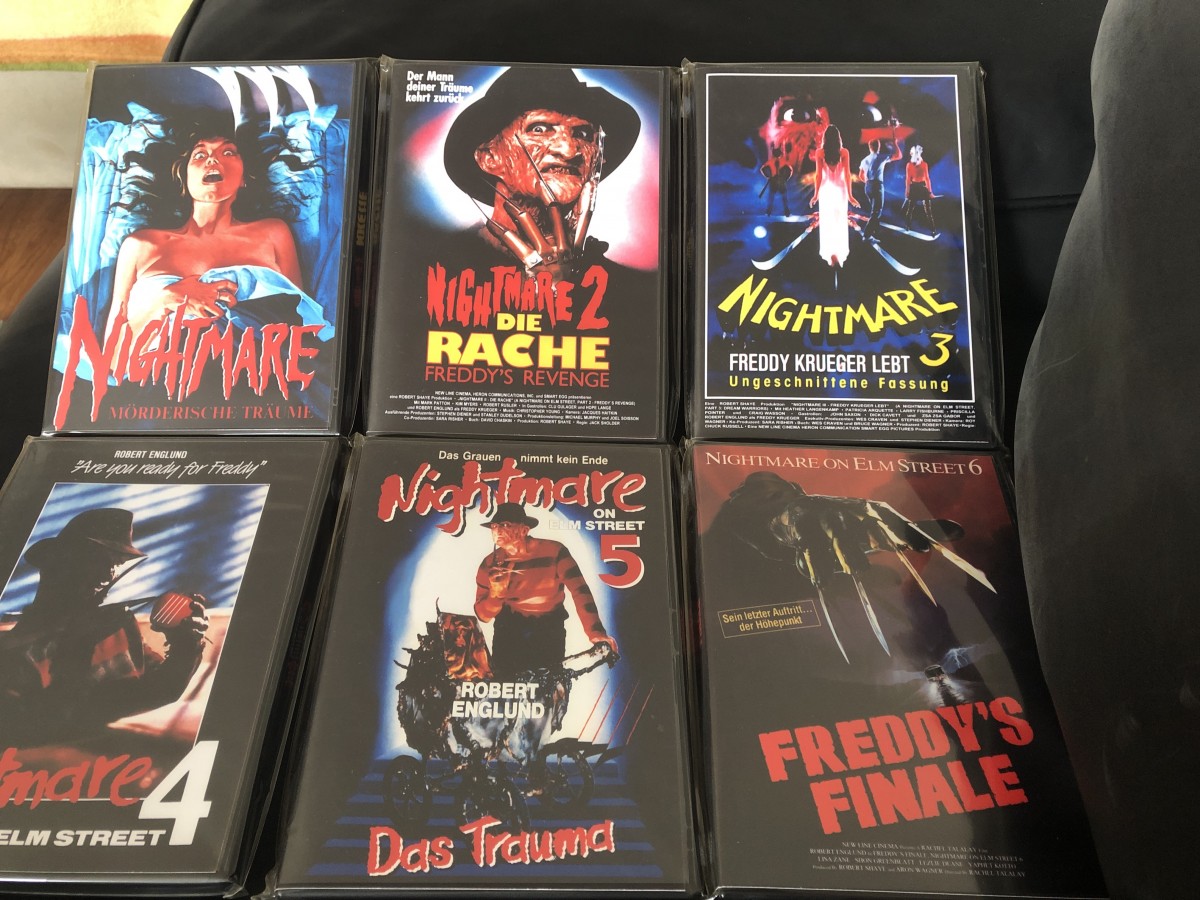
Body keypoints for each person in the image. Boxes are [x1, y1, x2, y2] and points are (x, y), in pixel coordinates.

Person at [101, 114, 321, 357]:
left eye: (228, 152)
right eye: (199, 154)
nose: (213, 159)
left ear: (244, 177)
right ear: (183, 177)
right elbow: (113, 359)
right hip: (164, 370)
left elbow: (303, 326)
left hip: (253, 366)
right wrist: (168, 299)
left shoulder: (273, 233)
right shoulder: (141, 245)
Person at [0, 507, 208, 747]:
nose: (108, 574)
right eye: (96, 560)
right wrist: (76, 651)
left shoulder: (117, 626)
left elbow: (160, 690)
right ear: (55, 567)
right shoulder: (14, 655)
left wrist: (185, 643)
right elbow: (36, 730)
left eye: (115, 564)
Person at [442, 65, 641, 281]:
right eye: (539, 129)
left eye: (583, 134)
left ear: (597, 159)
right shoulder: (440, 266)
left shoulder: (627, 285)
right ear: (489, 158)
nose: (569, 150)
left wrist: (566, 287)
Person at [473, 503, 617, 678]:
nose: (497, 530)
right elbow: (483, 616)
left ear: (524, 530)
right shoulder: (489, 565)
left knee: (549, 688)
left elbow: (579, 590)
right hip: (509, 633)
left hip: (548, 632)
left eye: (505, 525)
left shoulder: (555, 552)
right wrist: (496, 595)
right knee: (507, 690)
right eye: (494, 526)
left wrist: (596, 634)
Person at [810, 124, 860, 267]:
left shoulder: (820, 153)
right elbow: (847, 175)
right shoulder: (844, 152)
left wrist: (815, 195)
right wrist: (850, 195)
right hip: (840, 190)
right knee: (839, 220)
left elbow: (818, 176)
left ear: (825, 138)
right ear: (838, 138)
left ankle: (830, 253)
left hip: (826, 190)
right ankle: (839, 253)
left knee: (827, 220)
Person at [857, 120, 903, 239]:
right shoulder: (881, 157)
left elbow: (860, 176)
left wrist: (868, 182)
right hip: (877, 186)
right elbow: (899, 155)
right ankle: (866, 235)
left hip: (868, 187)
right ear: (879, 147)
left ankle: (874, 233)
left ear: (869, 147)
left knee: (874, 211)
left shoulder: (864, 160)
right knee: (876, 212)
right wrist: (895, 143)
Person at [903, 143, 936, 233]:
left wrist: (930, 192)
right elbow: (908, 179)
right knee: (911, 209)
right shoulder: (910, 165)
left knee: (927, 210)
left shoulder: (923, 164)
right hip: (915, 187)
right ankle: (907, 226)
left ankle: (932, 229)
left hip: (921, 187)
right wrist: (907, 191)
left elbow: (927, 178)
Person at [759, 146, 793, 216]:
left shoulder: (771, 161)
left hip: (775, 180)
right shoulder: (783, 161)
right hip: (779, 180)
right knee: (783, 197)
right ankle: (786, 212)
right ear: (780, 154)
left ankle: (769, 212)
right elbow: (791, 170)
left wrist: (767, 177)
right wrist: (786, 178)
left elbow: (762, 169)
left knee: (772, 197)